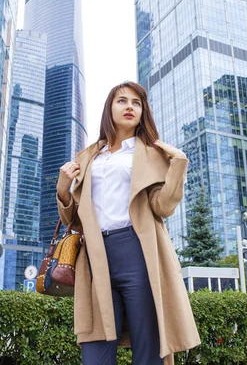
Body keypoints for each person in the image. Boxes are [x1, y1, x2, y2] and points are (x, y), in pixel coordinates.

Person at [55, 81, 200, 365]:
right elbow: (75, 221)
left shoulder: (150, 153)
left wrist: (178, 163)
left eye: (136, 102)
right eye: (122, 101)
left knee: (148, 349)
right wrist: (63, 189)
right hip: (96, 256)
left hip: (138, 251)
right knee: (95, 351)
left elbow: (163, 206)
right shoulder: (88, 157)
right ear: (109, 108)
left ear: (143, 111)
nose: (130, 107)